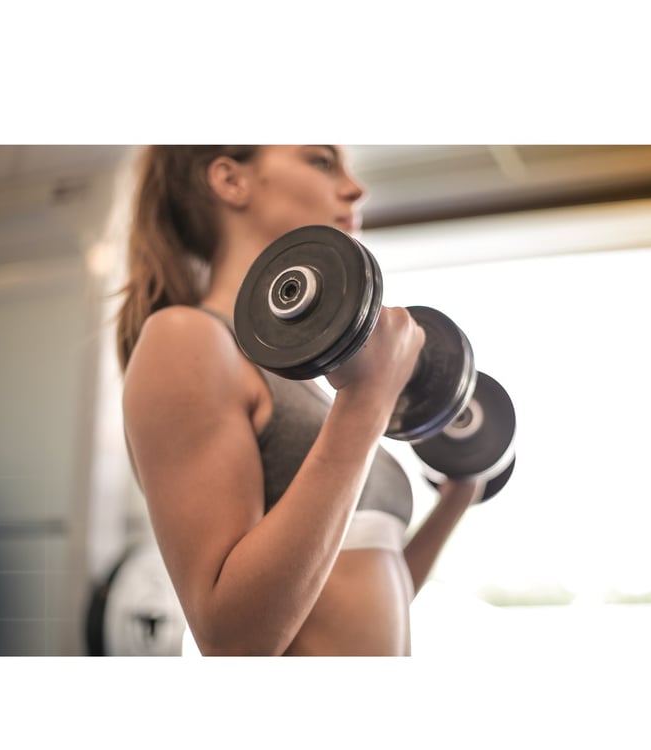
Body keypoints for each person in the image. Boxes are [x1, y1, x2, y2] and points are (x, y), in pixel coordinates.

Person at [116, 145, 484, 656]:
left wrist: (458, 497)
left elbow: (369, 586)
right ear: (230, 180)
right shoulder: (188, 338)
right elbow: (234, 642)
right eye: (320, 160)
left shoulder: (313, 382)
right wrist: (368, 401)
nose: (355, 188)